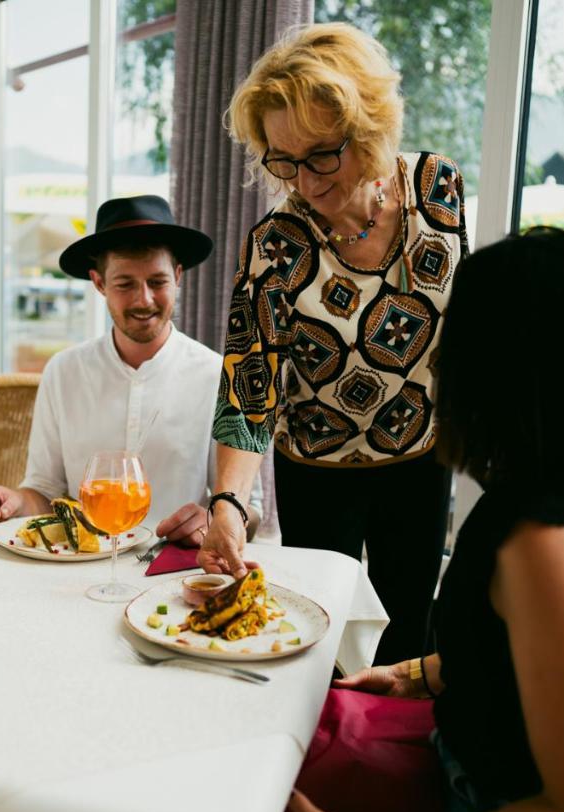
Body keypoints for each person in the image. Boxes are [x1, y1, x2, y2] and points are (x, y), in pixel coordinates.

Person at [287, 227, 564, 812]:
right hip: (468, 768)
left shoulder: (553, 545)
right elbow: (531, 660)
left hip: (487, 811)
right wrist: (421, 673)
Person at [200, 23, 467, 664]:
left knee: (408, 635)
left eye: (323, 154)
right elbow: (249, 384)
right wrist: (230, 503)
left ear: (370, 128)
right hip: (318, 470)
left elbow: (466, 325)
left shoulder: (438, 189)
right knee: (326, 644)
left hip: (421, 455)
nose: (306, 181)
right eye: (283, 160)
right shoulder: (277, 245)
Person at [0, 194, 260, 543]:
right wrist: (14, 501)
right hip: (81, 569)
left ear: (178, 276)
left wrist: (215, 518)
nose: (144, 300)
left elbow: (252, 510)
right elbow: (44, 492)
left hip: (175, 568)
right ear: (99, 283)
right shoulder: (63, 372)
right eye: (125, 284)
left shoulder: (219, 376)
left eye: (157, 282)